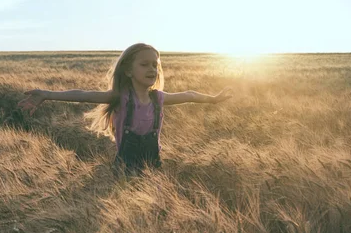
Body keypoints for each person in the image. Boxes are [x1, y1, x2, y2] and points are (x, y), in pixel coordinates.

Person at [17, 43, 233, 176]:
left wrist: (213, 100)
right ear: (128, 71)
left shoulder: (158, 98)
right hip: (124, 169)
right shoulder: (120, 98)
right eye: (144, 64)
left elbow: (189, 95)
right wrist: (47, 94)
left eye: (155, 65)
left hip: (153, 166)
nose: (152, 69)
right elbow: (82, 94)